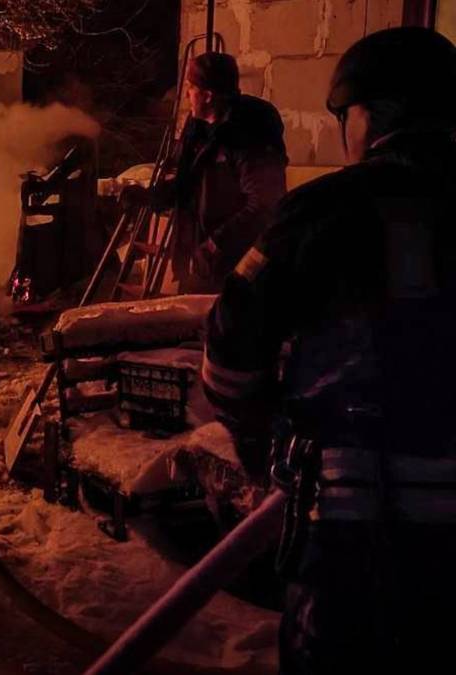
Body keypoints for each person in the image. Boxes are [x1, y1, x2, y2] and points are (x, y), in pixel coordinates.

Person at [201, 27, 456, 674]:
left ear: (377, 114)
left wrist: (261, 447)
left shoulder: (322, 214)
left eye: (347, 115)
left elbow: (230, 355)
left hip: (355, 534)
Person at [156, 52, 288, 292]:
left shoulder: (248, 134)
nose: (187, 94)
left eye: (191, 87)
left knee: (225, 325)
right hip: (199, 264)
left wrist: (216, 244)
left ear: (207, 95)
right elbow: (187, 186)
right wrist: (151, 196)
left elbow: (265, 204)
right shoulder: (197, 131)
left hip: (237, 270)